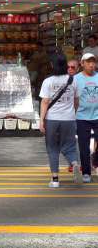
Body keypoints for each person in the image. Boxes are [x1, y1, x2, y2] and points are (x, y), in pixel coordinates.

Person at [39, 56, 82, 187]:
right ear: (65, 66)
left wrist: (41, 120)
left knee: (52, 148)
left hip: (52, 119)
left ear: (52, 65)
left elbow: (45, 102)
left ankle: (55, 180)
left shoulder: (48, 81)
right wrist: (72, 113)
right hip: (68, 119)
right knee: (70, 146)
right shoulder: (73, 80)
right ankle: (74, 163)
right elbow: (76, 101)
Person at [73, 53, 98, 183]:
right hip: (82, 117)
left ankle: (95, 162)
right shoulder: (76, 79)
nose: (92, 64)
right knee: (83, 147)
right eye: (88, 62)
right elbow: (73, 99)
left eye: (93, 62)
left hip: (97, 116)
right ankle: (86, 173)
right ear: (82, 63)